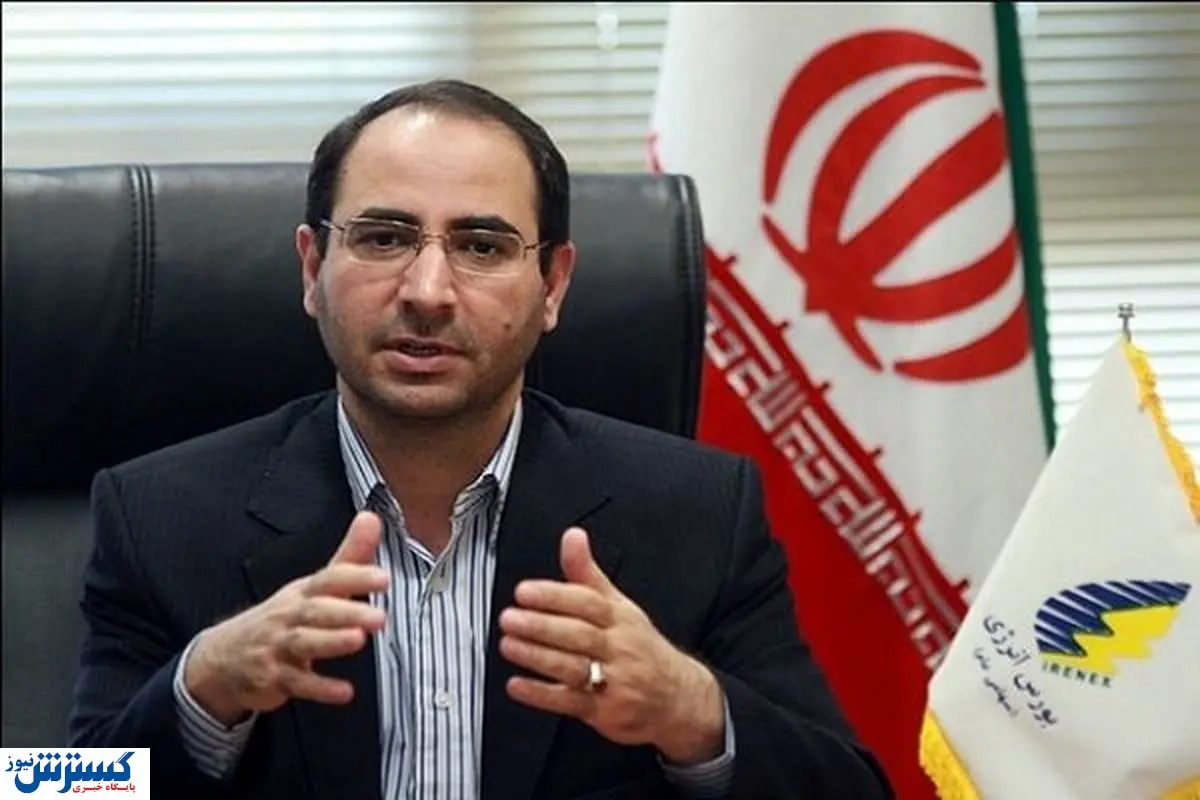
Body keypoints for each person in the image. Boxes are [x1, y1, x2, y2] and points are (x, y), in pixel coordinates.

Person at [67, 79, 893, 800]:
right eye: (384, 238)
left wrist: (691, 711)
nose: (428, 291)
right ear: (312, 268)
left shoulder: (697, 513)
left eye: (481, 246)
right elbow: (54, 786)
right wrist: (201, 687)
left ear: (553, 285)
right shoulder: (157, 515)